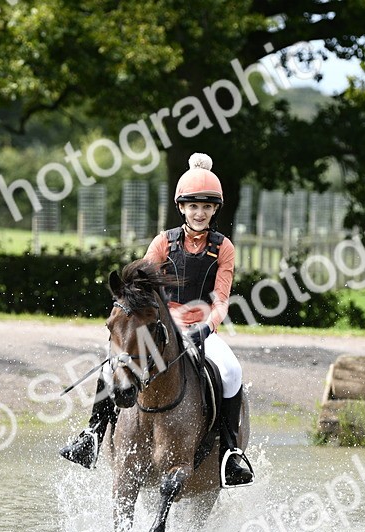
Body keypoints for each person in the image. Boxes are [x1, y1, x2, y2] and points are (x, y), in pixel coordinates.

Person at [59, 152, 255, 487]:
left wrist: (206, 328)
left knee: (232, 371)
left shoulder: (223, 248)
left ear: (215, 210)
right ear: (182, 208)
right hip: (162, 324)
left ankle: (230, 454)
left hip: (201, 328)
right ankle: (91, 435)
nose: (199, 212)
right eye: (193, 206)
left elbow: (221, 298)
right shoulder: (164, 241)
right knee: (111, 366)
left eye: (206, 206)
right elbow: (142, 286)